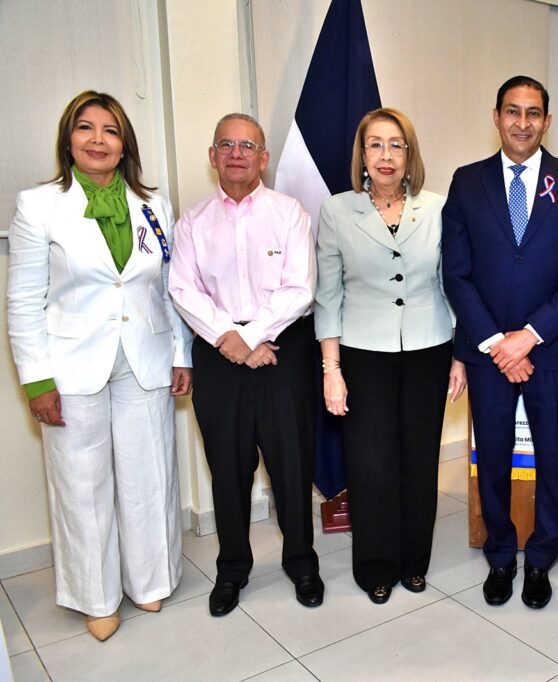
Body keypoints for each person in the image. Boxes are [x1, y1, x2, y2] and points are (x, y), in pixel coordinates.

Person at [6, 90, 192, 641]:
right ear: (68, 139)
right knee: (81, 484)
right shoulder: (39, 205)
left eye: (110, 131)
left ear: (124, 144)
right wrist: (36, 380)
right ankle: (96, 597)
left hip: (145, 355)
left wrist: (180, 354)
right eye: (86, 128)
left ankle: (150, 580)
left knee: (149, 473)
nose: (98, 140)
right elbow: (23, 300)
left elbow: (169, 287)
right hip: (70, 364)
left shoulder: (154, 205)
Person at [442, 75, 558, 609]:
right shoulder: (467, 182)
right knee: (493, 457)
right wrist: (496, 342)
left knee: (554, 458)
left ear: (547, 121)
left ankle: (541, 558)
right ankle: (501, 555)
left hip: (550, 351)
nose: (523, 122)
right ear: (496, 116)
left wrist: (529, 336)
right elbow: (456, 272)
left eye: (534, 113)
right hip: (488, 353)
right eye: (513, 111)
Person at [168, 113, 323, 616]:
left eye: (248, 145)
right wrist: (228, 338)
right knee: (228, 468)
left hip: (282, 350)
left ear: (264, 157)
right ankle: (232, 568)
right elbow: (183, 288)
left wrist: (252, 337)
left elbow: (300, 287)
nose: (237, 154)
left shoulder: (289, 212)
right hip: (219, 356)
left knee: (292, 464)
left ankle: (301, 561)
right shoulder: (192, 221)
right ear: (212, 156)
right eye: (226, 145)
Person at [315, 107, 466, 604]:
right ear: (362, 154)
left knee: (419, 461)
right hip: (363, 353)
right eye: (376, 144)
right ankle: (376, 565)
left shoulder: (438, 208)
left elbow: (451, 284)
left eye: (396, 145)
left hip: (429, 348)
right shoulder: (337, 211)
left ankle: (414, 561)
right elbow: (328, 295)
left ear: (410, 154)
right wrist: (331, 369)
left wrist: (460, 356)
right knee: (371, 464)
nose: (386, 155)